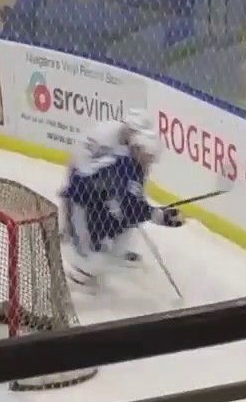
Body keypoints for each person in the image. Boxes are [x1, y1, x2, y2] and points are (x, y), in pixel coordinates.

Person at [61, 123, 185, 288]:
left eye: (152, 158)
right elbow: (130, 207)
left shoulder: (132, 165)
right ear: (138, 149)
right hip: (78, 204)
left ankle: (104, 256)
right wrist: (160, 216)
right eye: (148, 156)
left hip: (96, 205)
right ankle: (78, 277)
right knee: (91, 259)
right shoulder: (125, 168)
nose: (150, 162)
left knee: (119, 234)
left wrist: (156, 213)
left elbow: (131, 203)